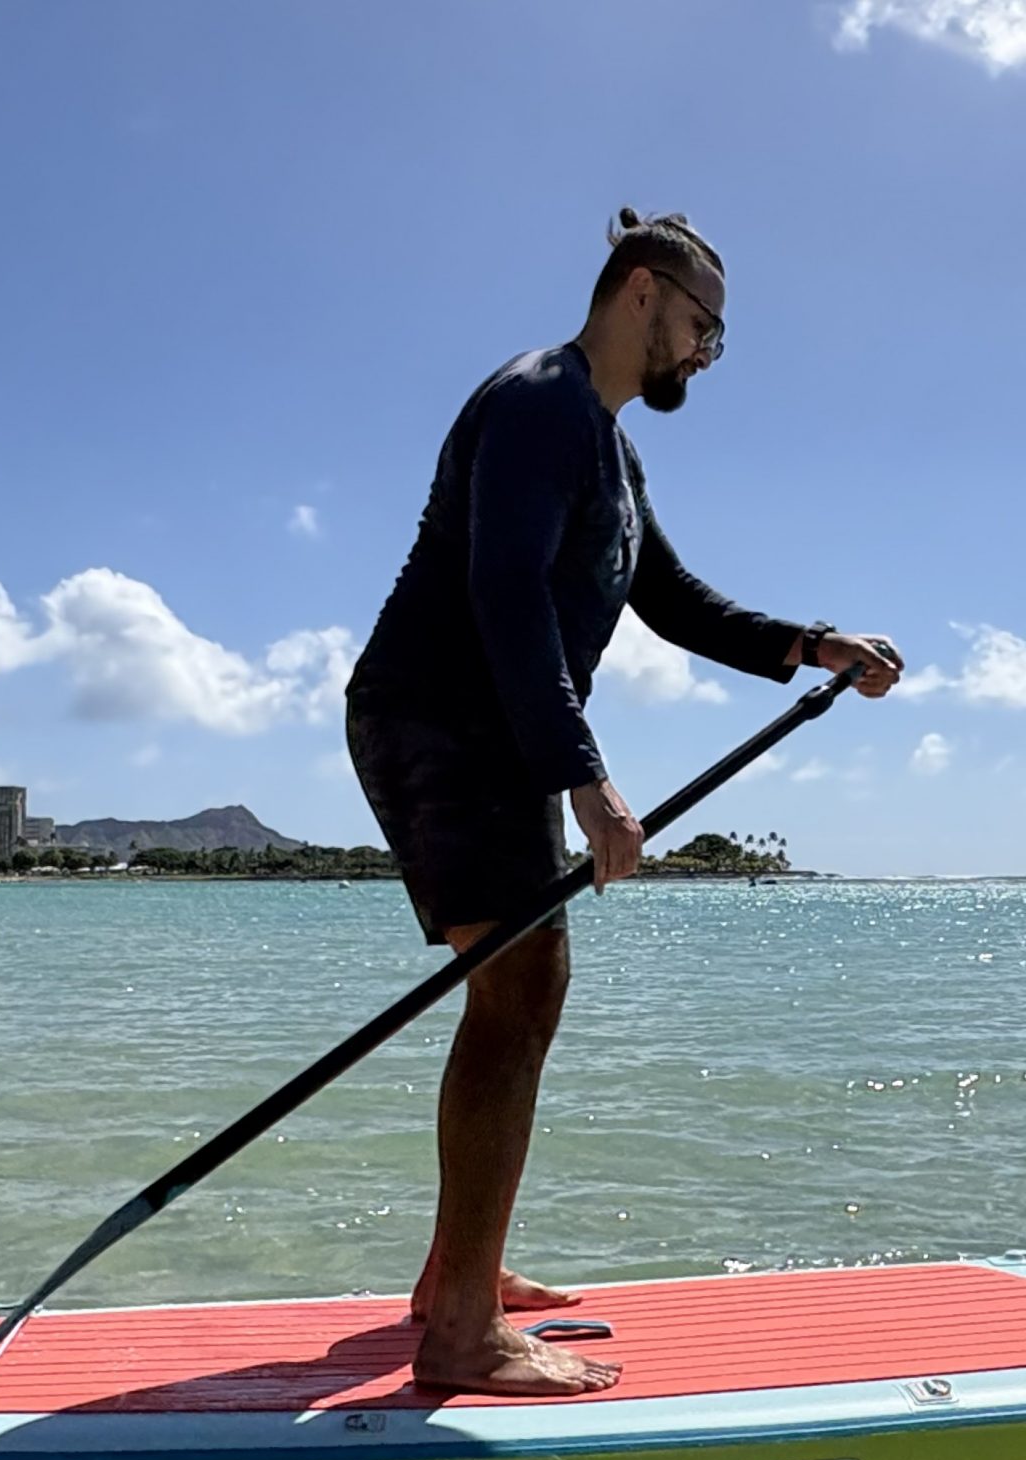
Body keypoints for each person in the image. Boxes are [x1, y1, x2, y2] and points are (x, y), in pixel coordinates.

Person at [345, 208, 902, 1396]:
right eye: (703, 326)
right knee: (519, 986)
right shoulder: (539, 400)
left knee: (523, 992)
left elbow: (672, 598)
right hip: (437, 717)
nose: (705, 353)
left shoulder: (606, 446)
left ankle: (461, 1276)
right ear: (642, 293)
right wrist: (587, 779)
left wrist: (810, 644)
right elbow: (504, 597)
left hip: (491, 729)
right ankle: (456, 1331)